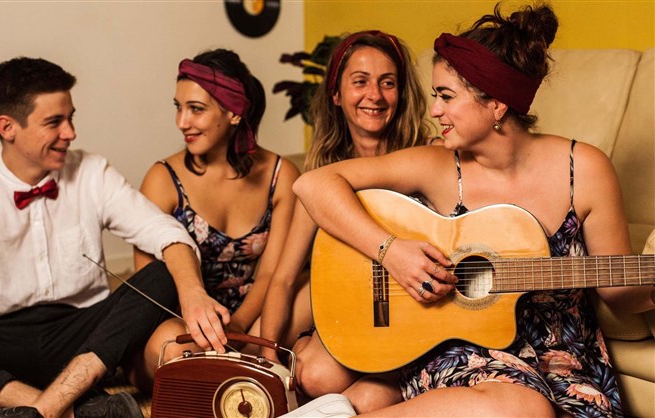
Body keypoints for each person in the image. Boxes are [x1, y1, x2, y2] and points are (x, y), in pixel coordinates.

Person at [290, 3, 655, 417]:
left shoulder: (584, 169)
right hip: (466, 348)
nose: (434, 111)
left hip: (563, 358)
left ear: (496, 104)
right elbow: (313, 184)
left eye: (446, 96)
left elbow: (616, 291)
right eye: (435, 96)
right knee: (524, 409)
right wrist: (390, 250)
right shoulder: (437, 165)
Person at [0, 57, 229, 418]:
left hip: (86, 335)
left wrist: (193, 294)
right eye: (54, 122)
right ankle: (69, 408)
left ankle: (46, 407)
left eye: (71, 118)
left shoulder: (92, 172)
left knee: (165, 272)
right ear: (8, 127)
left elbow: (165, 232)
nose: (70, 132)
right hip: (0, 338)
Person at [257, 30, 432, 412]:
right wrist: (268, 360)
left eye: (388, 83)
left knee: (364, 398)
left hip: (423, 319)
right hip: (360, 314)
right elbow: (283, 278)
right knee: (315, 374)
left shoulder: (427, 160)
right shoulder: (321, 182)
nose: (375, 95)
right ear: (336, 95)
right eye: (360, 81)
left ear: (402, 94)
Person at [131, 49, 299, 389]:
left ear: (234, 112)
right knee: (173, 349)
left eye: (196, 109)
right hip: (182, 322)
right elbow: (148, 285)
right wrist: (206, 329)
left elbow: (272, 274)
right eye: (178, 107)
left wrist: (237, 327)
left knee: (305, 297)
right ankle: (238, 370)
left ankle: (231, 368)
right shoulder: (163, 179)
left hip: (252, 317)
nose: (182, 122)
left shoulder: (281, 175)